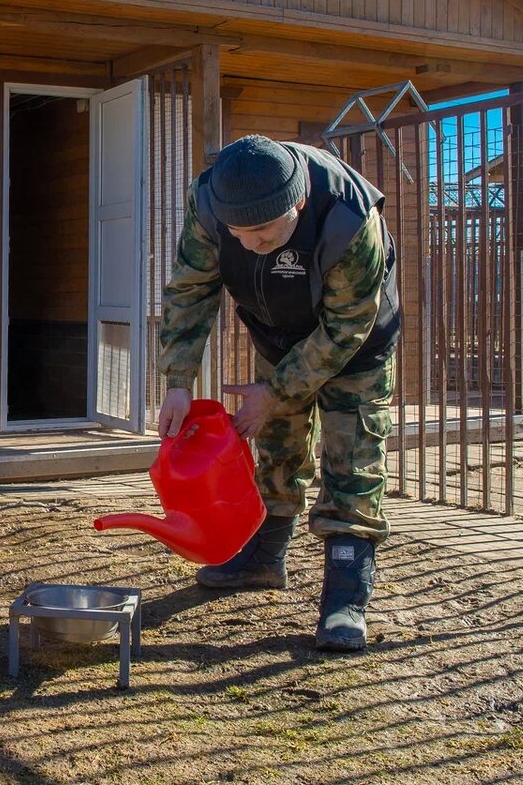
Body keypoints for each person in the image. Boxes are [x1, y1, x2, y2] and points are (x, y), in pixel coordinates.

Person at [157, 135, 401, 652]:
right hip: (278, 335)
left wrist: (274, 390)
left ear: (299, 203)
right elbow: (190, 287)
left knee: (352, 456)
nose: (250, 244)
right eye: (238, 233)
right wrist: (178, 380)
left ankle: (345, 596)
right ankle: (264, 558)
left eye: (264, 231)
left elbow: (345, 328)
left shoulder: (349, 219)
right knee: (279, 446)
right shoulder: (210, 203)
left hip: (357, 345)